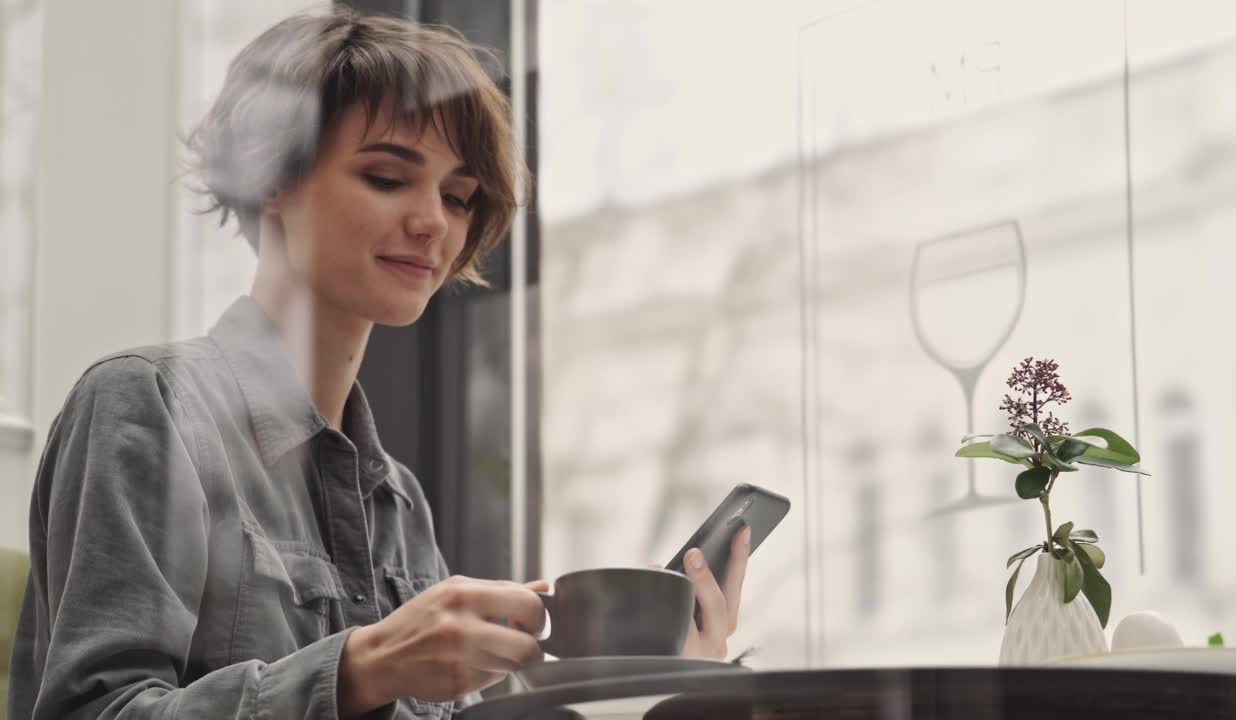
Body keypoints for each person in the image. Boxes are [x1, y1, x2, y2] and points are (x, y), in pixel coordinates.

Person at [7, 8, 750, 720]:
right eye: (388, 178)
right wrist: (365, 666)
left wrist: (664, 687)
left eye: (460, 196)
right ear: (270, 177)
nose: (434, 222)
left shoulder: (398, 502)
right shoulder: (146, 407)